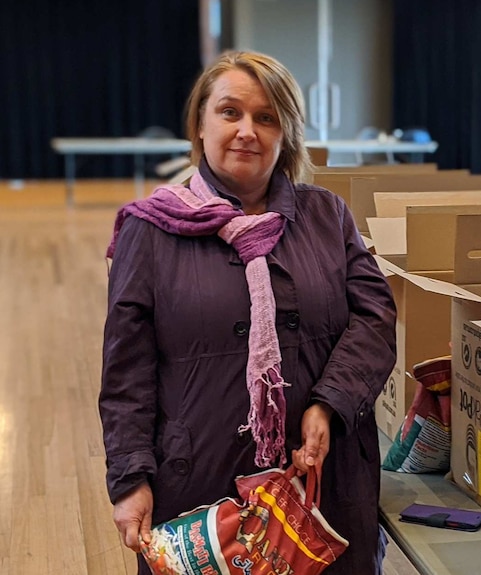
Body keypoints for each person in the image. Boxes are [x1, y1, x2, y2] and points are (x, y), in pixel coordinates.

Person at [99, 50, 397, 575]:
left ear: (287, 135)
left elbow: (374, 318)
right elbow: (127, 372)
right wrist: (130, 480)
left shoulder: (327, 215)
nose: (246, 131)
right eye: (230, 112)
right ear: (200, 123)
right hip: (200, 489)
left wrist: (328, 404)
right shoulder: (149, 231)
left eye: (266, 117)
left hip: (321, 483)